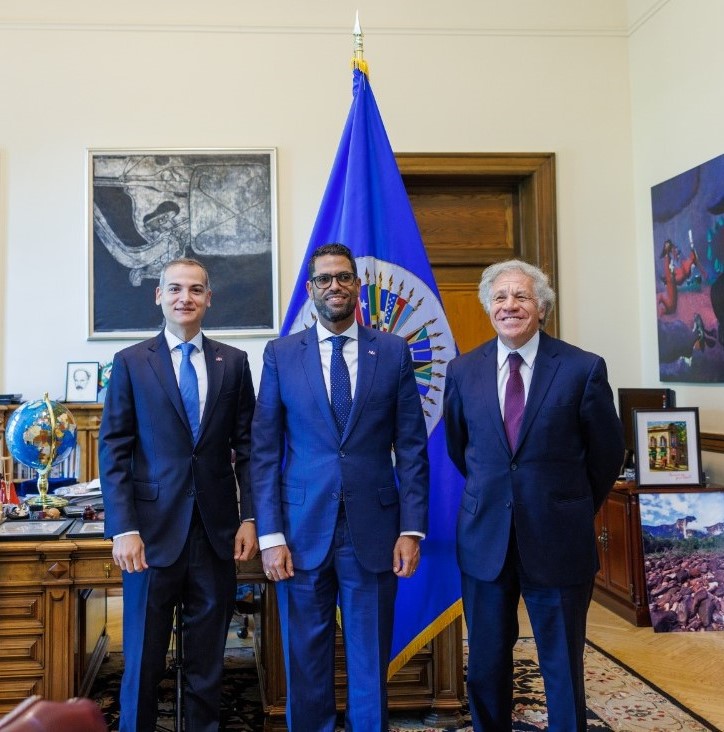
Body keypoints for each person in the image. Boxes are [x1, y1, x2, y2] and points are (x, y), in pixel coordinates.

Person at [251, 243, 429, 731]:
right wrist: (270, 536)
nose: (335, 286)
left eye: (344, 278)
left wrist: (412, 530)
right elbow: (264, 452)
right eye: (325, 279)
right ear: (311, 290)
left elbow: (412, 448)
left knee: (370, 656)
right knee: (306, 658)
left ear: (358, 287)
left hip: (374, 530)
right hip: (301, 531)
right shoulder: (282, 355)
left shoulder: (391, 352)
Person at [443, 259, 624, 732]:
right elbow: (461, 450)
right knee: (484, 662)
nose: (510, 306)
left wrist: (567, 504)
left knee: (561, 664)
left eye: (521, 296)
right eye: (500, 297)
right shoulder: (463, 371)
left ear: (541, 306)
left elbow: (607, 455)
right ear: (488, 308)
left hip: (559, 540)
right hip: (486, 543)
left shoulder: (583, 368)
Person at [99, 257, 258, 732]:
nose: (184, 298)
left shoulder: (234, 363)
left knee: (209, 661)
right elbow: (114, 449)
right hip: (148, 537)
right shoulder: (131, 362)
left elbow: (247, 448)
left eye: (194, 289)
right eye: (174, 289)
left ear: (209, 297)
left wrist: (249, 518)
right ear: (159, 296)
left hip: (214, 534)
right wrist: (123, 528)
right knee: (144, 661)